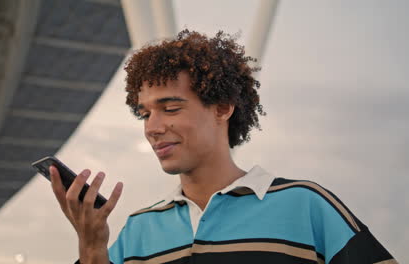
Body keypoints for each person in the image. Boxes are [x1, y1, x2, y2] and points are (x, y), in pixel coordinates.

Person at [49, 30, 397, 264]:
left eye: (170, 108)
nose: (153, 128)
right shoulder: (138, 231)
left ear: (223, 108)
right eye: (145, 113)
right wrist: (92, 249)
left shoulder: (306, 205)